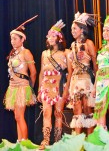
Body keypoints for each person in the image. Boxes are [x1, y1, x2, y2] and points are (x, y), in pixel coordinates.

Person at [38, 20, 71, 149]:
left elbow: (70, 72)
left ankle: (57, 141)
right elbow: (41, 73)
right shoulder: (44, 53)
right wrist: (40, 90)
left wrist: (67, 89)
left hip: (59, 87)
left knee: (58, 113)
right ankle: (45, 140)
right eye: (49, 36)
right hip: (46, 86)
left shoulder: (65, 53)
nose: (51, 38)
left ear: (59, 38)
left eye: (53, 36)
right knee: (46, 113)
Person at [4, 16, 37, 142]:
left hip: (22, 87)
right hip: (13, 87)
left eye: (15, 39)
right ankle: (19, 140)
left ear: (22, 39)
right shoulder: (13, 54)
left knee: (19, 116)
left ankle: (24, 142)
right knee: (17, 117)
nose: (12, 41)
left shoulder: (26, 52)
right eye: (11, 39)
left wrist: (30, 87)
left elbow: (33, 72)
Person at [68, 12, 97, 135]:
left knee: (87, 108)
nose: (72, 31)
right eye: (71, 29)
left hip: (86, 80)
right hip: (75, 81)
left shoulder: (89, 43)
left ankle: (90, 138)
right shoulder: (72, 45)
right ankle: (77, 139)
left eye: (74, 28)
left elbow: (95, 64)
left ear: (82, 29)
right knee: (77, 109)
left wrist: (96, 83)